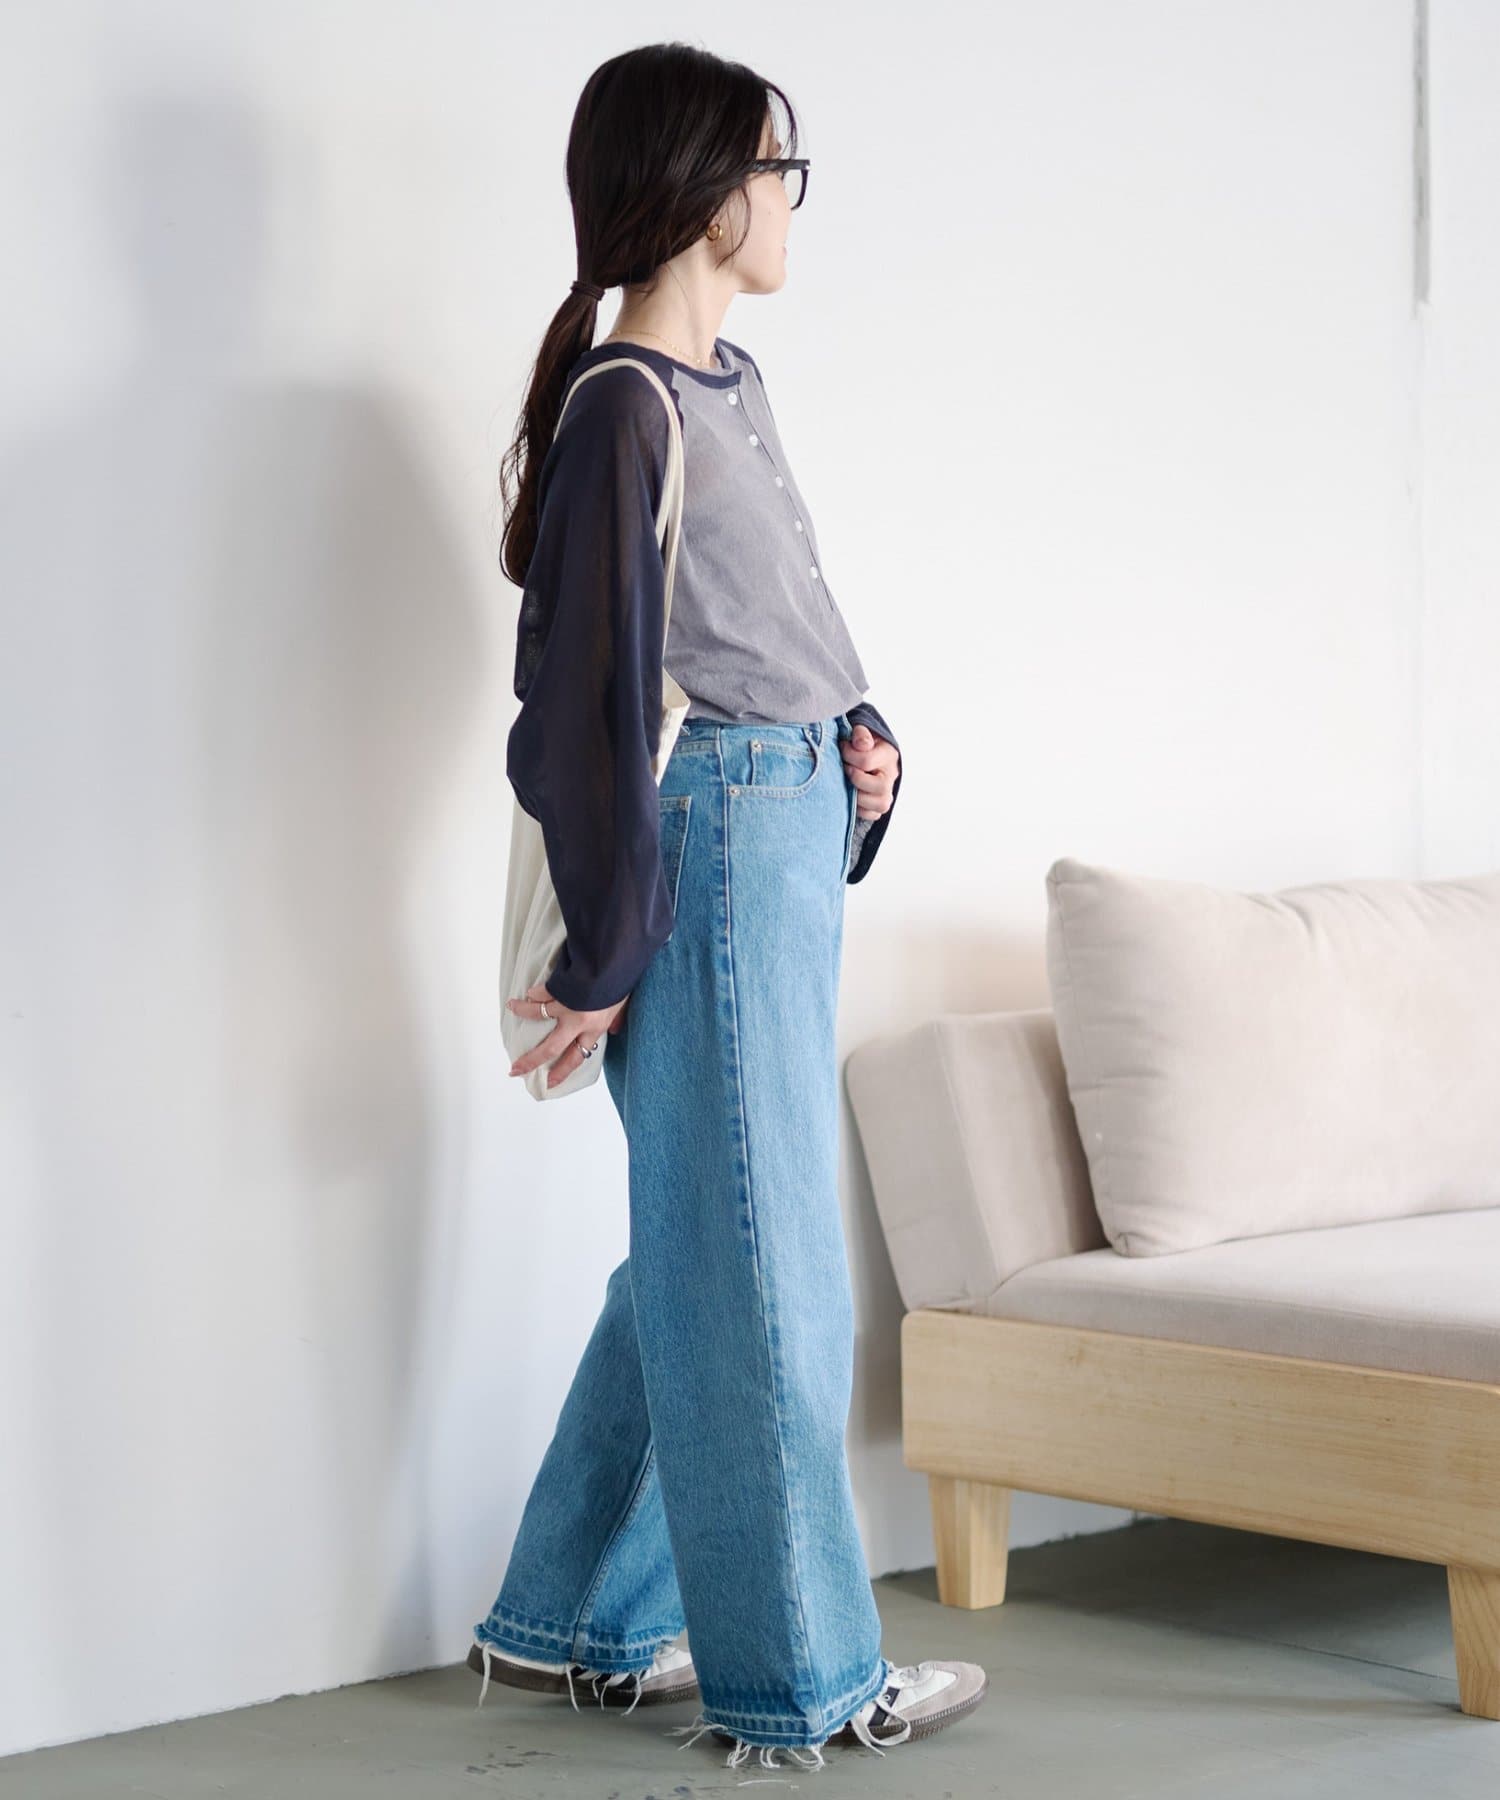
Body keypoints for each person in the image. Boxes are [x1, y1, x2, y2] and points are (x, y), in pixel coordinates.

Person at [470, 41, 988, 1772]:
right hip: (707, 851)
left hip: (776, 831)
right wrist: (608, 945)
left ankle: (572, 1616)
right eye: (780, 169)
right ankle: (804, 1681)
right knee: (765, 1271)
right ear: (707, 195)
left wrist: (860, 738)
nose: (790, 201)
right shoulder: (624, 406)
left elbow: (770, 625)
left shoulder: (727, 384)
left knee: (709, 1242)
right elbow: (584, 704)